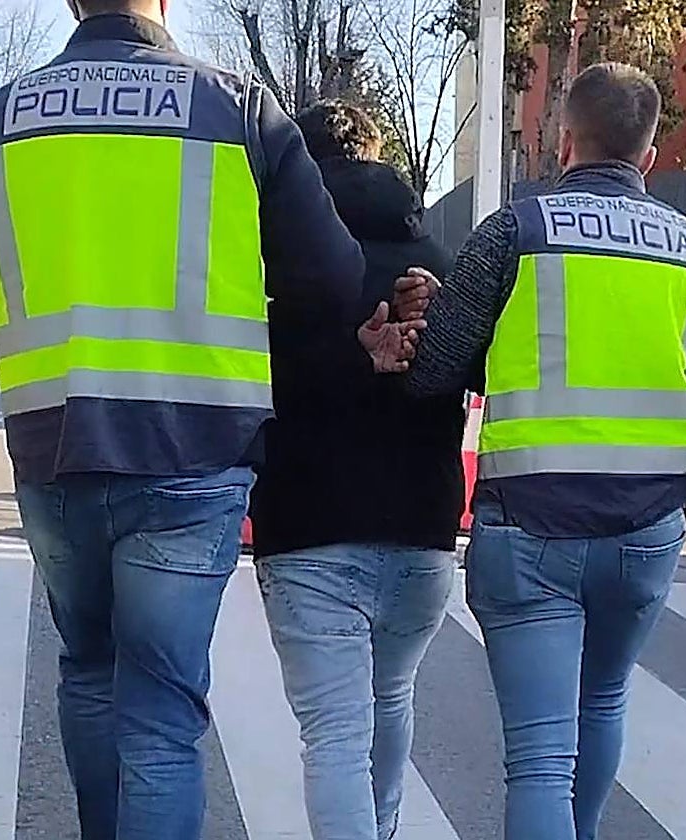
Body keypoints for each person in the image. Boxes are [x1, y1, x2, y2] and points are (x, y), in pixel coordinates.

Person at [0, 0, 408, 835]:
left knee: (88, 669)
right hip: (194, 451)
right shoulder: (236, 108)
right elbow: (334, 280)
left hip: (54, 445)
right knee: (161, 712)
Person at [402, 62, 686, 840]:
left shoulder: (516, 231)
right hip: (649, 529)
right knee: (604, 702)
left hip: (531, 525)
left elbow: (436, 375)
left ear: (563, 142)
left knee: (542, 757)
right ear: (649, 155)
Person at [249, 100, 462, 840]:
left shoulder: (275, 259)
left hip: (308, 526)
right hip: (422, 528)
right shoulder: (437, 266)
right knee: (391, 699)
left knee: (335, 736)